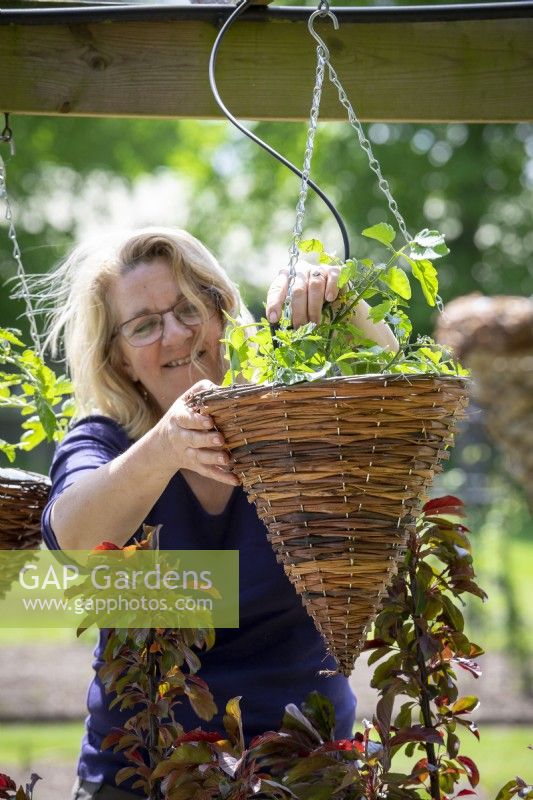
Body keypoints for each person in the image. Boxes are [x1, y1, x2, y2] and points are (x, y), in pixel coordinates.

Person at [40, 227, 398, 800]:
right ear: (121, 359)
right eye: (144, 325)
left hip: (304, 770)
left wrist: (347, 305)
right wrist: (165, 445)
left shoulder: (287, 413)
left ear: (221, 311)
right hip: (143, 776)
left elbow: (401, 407)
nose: (176, 333)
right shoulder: (104, 442)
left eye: (188, 308)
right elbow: (73, 539)